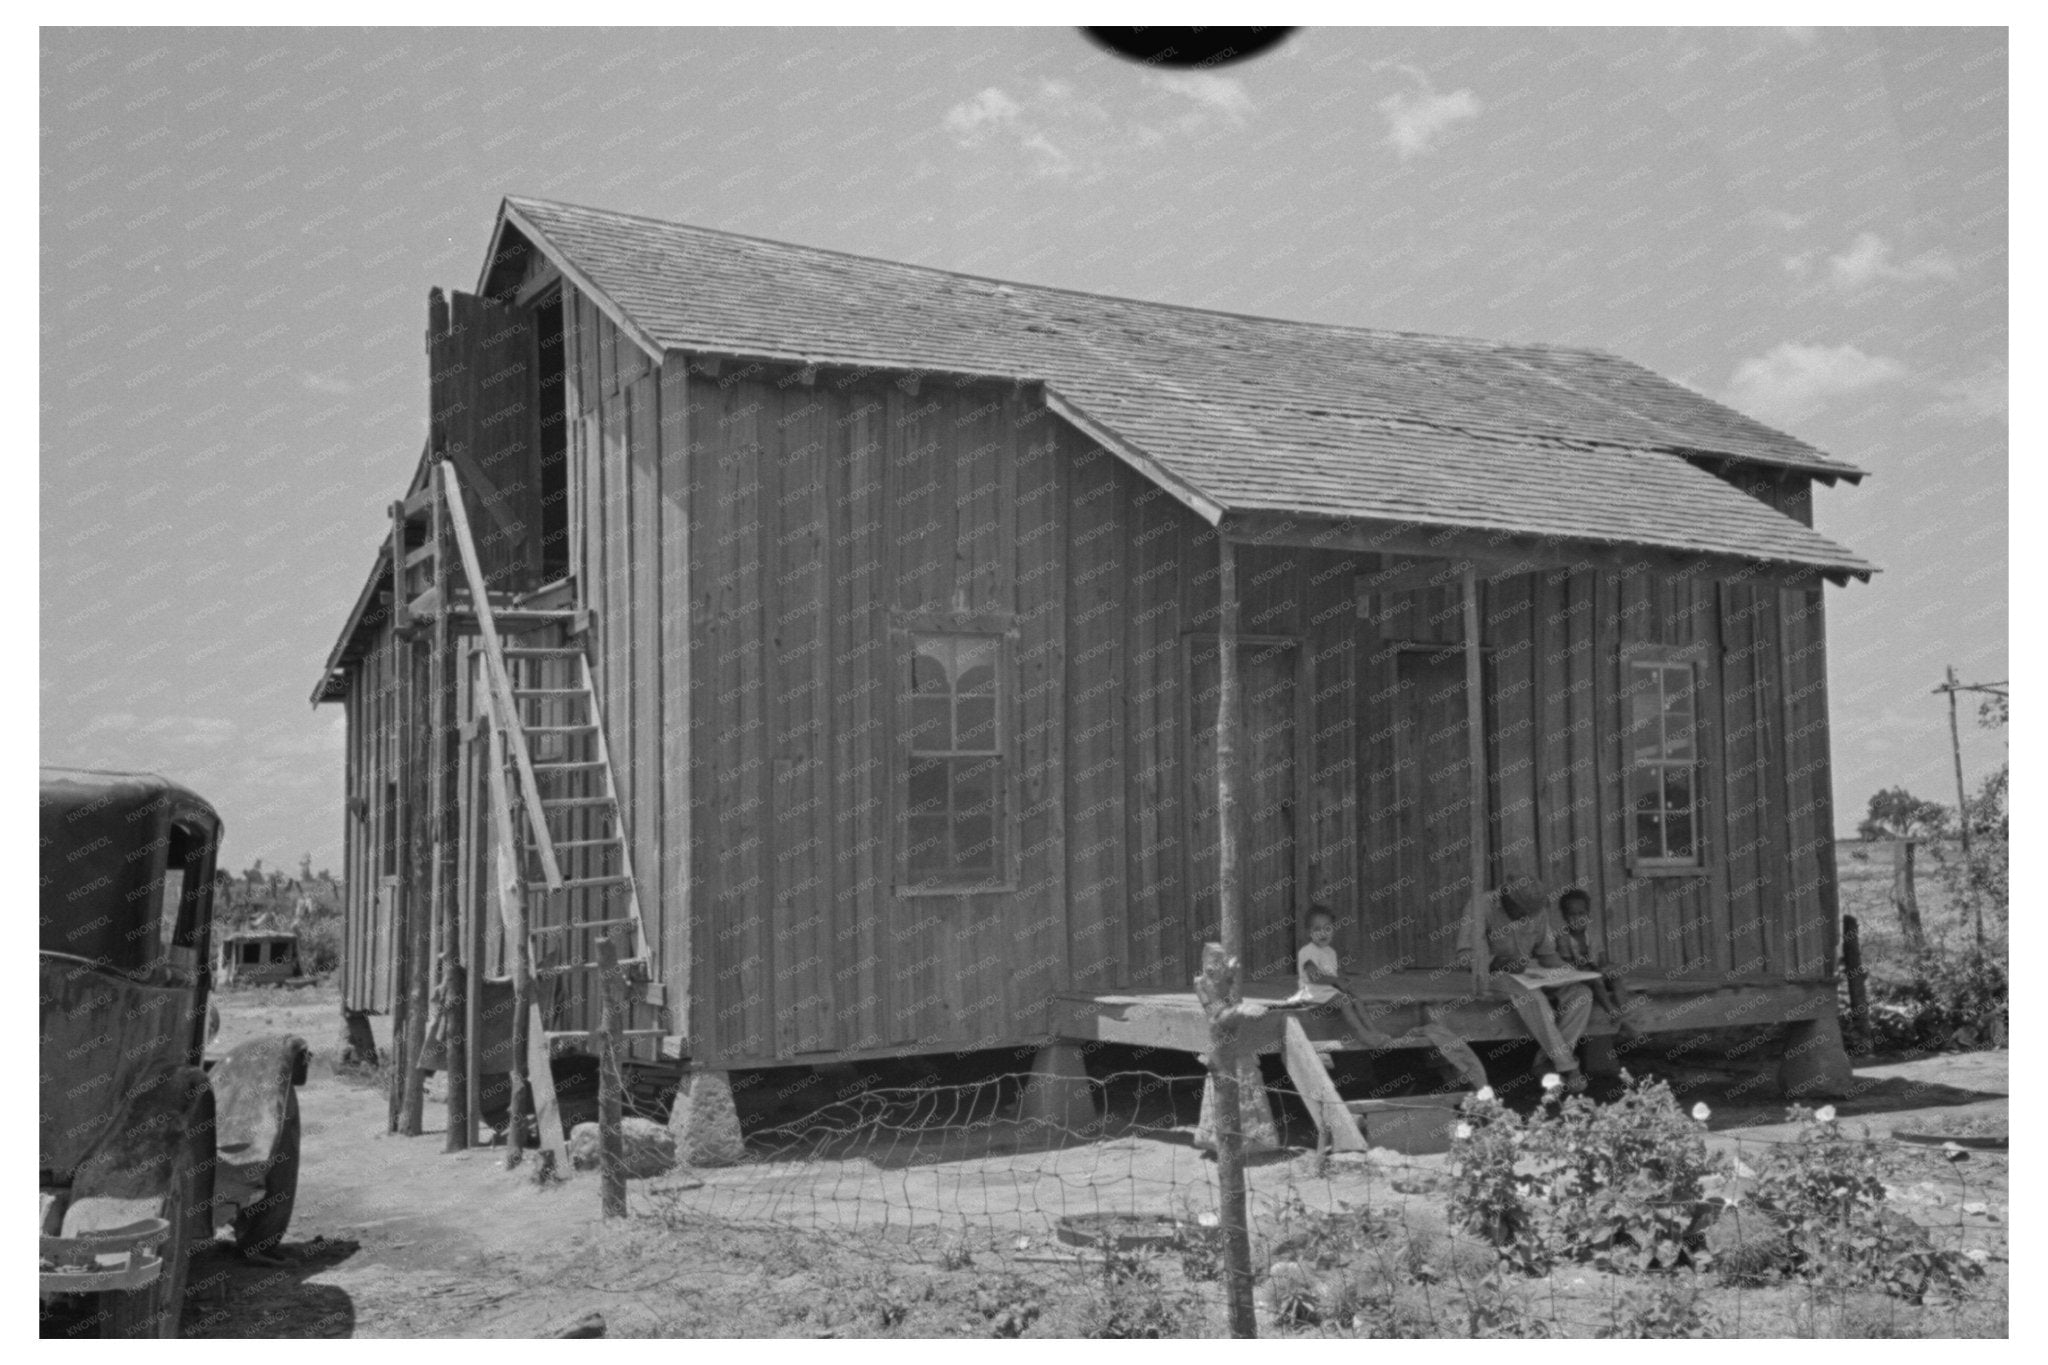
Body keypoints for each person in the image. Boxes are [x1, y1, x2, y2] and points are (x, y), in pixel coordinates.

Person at [1297, 904, 1490, 1092]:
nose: (1323, 933)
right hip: (1313, 993)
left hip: (1328, 991)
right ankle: (1363, 1035)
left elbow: (1332, 975)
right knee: (1345, 1001)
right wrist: (1337, 981)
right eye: (1317, 929)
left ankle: (1373, 1031)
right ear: (1308, 933)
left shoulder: (1330, 952)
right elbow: (1315, 976)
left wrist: (1342, 981)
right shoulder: (1307, 952)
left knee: (1355, 998)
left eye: (1327, 928)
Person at [1481, 876, 1595, 1094]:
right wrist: (1498, 961)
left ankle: (1545, 1063)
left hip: (1527, 972)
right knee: (1534, 997)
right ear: (1508, 902)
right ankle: (1568, 1066)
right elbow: (1466, 956)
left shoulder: (1537, 909)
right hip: (1492, 974)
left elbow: (1547, 954)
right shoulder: (1481, 906)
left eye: (1531, 913)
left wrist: (1573, 972)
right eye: (1522, 912)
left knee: (1581, 993)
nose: (1527, 917)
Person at [1555, 887, 1641, 1042]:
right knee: (1597, 983)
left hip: (1595, 970)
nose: (1577, 919)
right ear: (1564, 916)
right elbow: (1567, 964)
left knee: (1615, 978)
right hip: (1579, 976)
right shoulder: (1563, 938)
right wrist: (1588, 971)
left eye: (1581, 914)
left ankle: (1625, 1016)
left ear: (1588, 915)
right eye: (1571, 915)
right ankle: (1614, 1015)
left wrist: (1605, 968)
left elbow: (1602, 958)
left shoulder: (1593, 935)